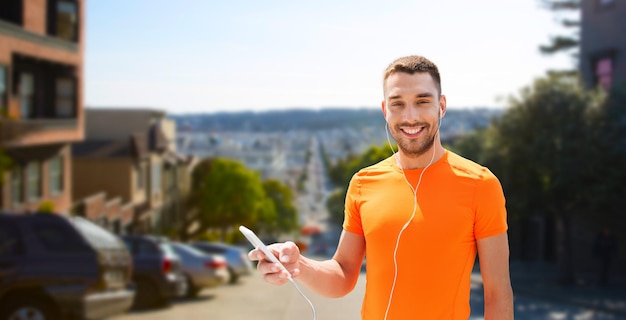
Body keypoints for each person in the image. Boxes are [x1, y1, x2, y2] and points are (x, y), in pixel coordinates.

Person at [249, 55, 514, 319]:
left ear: (441, 106)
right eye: (397, 104)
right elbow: (342, 275)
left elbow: (497, 294)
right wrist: (299, 264)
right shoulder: (363, 183)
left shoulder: (480, 185)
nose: (410, 117)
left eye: (422, 101)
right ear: (385, 110)